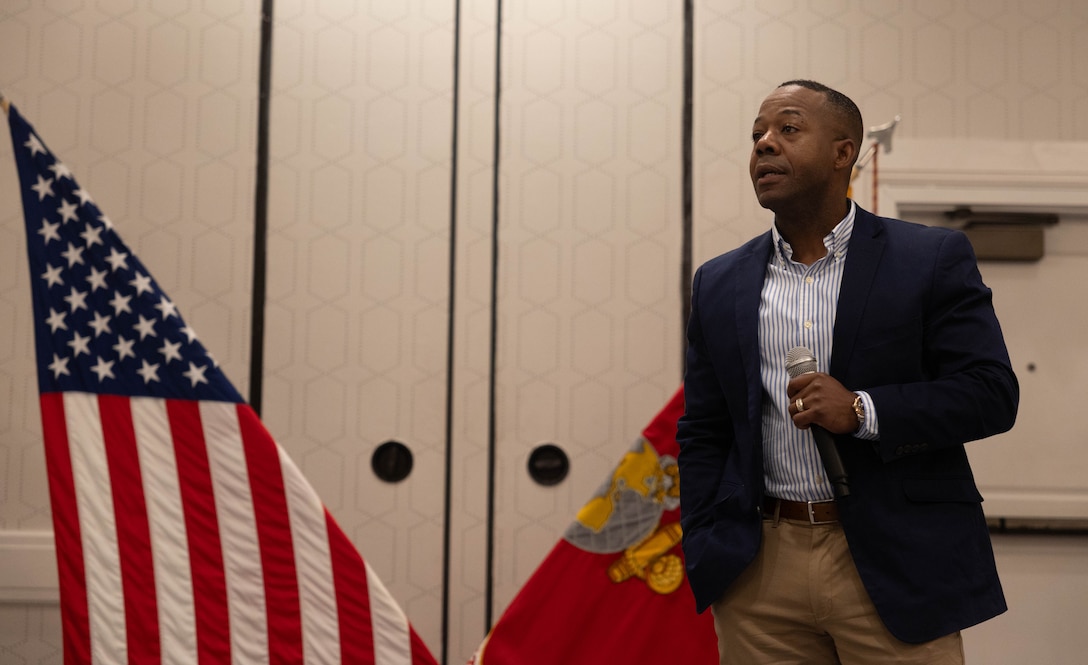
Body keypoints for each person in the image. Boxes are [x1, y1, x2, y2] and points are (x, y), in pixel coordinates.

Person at [676, 80, 1019, 664]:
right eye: (757, 134)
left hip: (896, 563)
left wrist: (862, 410)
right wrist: (705, 537)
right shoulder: (719, 280)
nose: (764, 144)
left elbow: (990, 394)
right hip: (758, 569)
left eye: (787, 128)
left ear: (843, 153)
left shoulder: (929, 258)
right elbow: (705, 428)